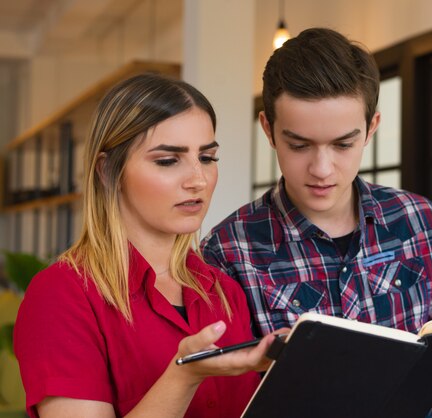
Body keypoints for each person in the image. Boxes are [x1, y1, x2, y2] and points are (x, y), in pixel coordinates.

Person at [201, 27, 432, 414]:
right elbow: (224, 395)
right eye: (299, 145)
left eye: (342, 144)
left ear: (371, 128)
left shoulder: (418, 220)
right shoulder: (229, 250)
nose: (322, 169)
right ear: (268, 129)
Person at [14, 73, 281, 418]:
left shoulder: (224, 292)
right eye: (168, 160)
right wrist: (184, 375)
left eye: (207, 158)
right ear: (108, 171)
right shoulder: (60, 295)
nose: (197, 180)